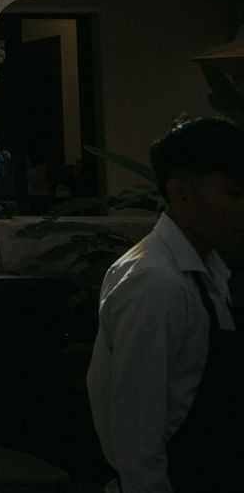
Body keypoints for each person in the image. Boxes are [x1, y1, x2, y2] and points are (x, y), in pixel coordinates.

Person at [88, 117, 244, 493]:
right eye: (234, 194)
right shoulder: (156, 282)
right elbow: (137, 447)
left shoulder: (207, 269)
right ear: (180, 192)